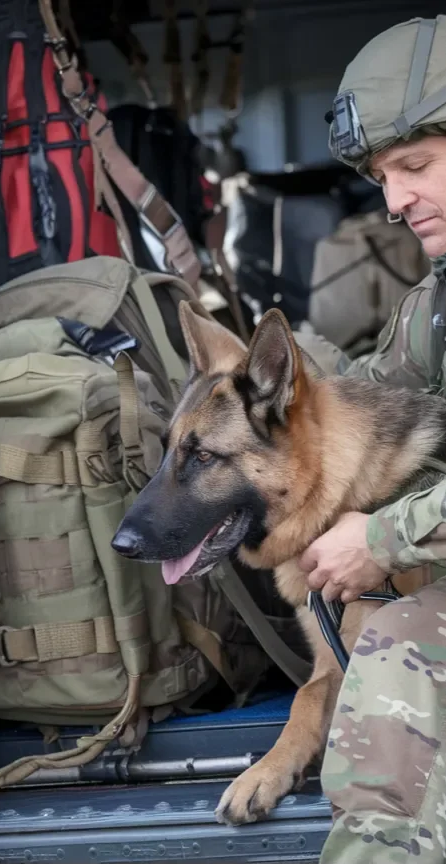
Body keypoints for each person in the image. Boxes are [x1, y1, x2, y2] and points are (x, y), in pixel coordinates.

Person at [296, 15, 446, 863]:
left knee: (395, 647)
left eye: (415, 167)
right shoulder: (432, 303)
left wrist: (383, 539)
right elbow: (378, 402)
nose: (393, 201)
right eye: (383, 177)